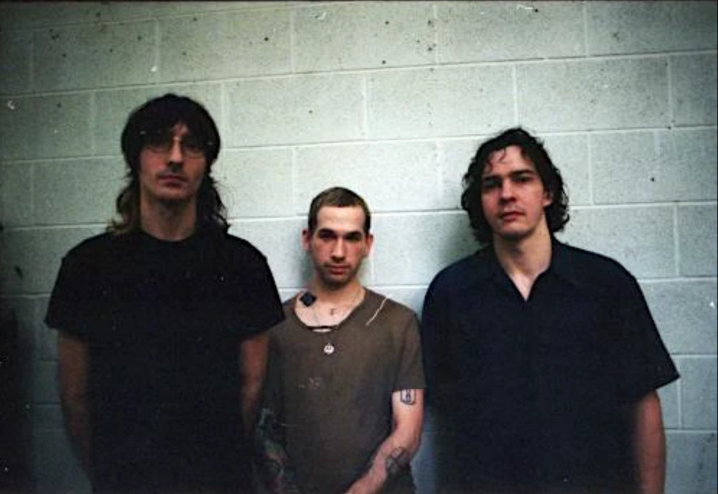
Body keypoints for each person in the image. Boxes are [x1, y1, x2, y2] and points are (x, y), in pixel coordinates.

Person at [45, 94, 285, 494]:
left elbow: (251, 386)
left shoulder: (242, 265)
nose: (175, 158)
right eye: (159, 141)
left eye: (191, 145)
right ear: (135, 158)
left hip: (218, 482)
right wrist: (111, 476)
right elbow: (74, 395)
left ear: (206, 163)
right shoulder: (87, 266)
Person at [421, 127, 679, 494]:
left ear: (548, 193)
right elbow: (447, 422)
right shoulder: (451, 293)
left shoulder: (606, 285)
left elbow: (643, 403)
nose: (507, 194)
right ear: (480, 201)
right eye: (492, 184)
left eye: (522, 179)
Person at [256, 187, 425, 494]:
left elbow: (408, 431)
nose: (338, 252)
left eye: (351, 238)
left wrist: (362, 489)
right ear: (307, 239)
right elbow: (264, 427)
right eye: (327, 236)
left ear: (368, 244)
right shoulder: (275, 327)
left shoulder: (398, 323)